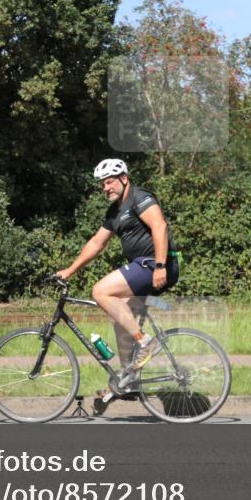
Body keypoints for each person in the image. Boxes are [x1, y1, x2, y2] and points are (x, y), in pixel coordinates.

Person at [55, 158, 179, 390]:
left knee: (100, 291)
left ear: (124, 178)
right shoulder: (115, 211)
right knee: (121, 319)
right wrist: (69, 271)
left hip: (153, 264)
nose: (105, 188)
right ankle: (129, 380)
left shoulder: (139, 198)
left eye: (110, 182)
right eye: (103, 184)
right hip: (145, 267)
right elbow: (96, 243)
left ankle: (146, 342)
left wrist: (160, 266)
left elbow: (159, 226)